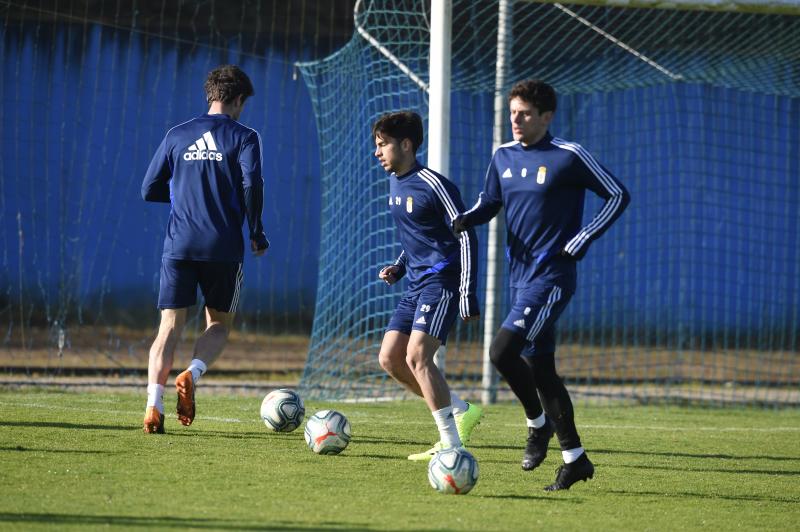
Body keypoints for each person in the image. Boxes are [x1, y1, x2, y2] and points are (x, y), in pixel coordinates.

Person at [453, 80, 630, 490]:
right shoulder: (502, 155)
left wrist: (584, 237)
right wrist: (466, 218)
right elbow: (490, 202)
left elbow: (617, 194)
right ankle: (575, 460)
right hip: (520, 279)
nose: (516, 120)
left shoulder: (569, 155)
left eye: (525, 113)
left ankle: (537, 425)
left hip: (552, 277)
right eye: (512, 112)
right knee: (542, 371)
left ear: (546, 117)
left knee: (501, 351)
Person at [140, 64, 269, 434]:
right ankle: (192, 373)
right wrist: (256, 230)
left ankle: (153, 404)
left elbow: (149, 189)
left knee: (168, 326)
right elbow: (252, 183)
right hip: (222, 246)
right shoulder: (245, 136)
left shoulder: (177, 134)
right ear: (238, 99)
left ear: (210, 95)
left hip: (178, 244)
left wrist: (186, 196)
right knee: (219, 326)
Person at [373, 111, 484, 461]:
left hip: (443, 281)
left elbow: (466, 236)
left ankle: (451, 444)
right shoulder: (395, 183)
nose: (377, 152)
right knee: (391, 359)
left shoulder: (434, 185)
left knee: (417, 356)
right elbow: (417, 236)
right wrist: (399, 266)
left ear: (406, 145)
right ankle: (460, 409)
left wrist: (467, 292)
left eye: (383, 144)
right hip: (415, 284)